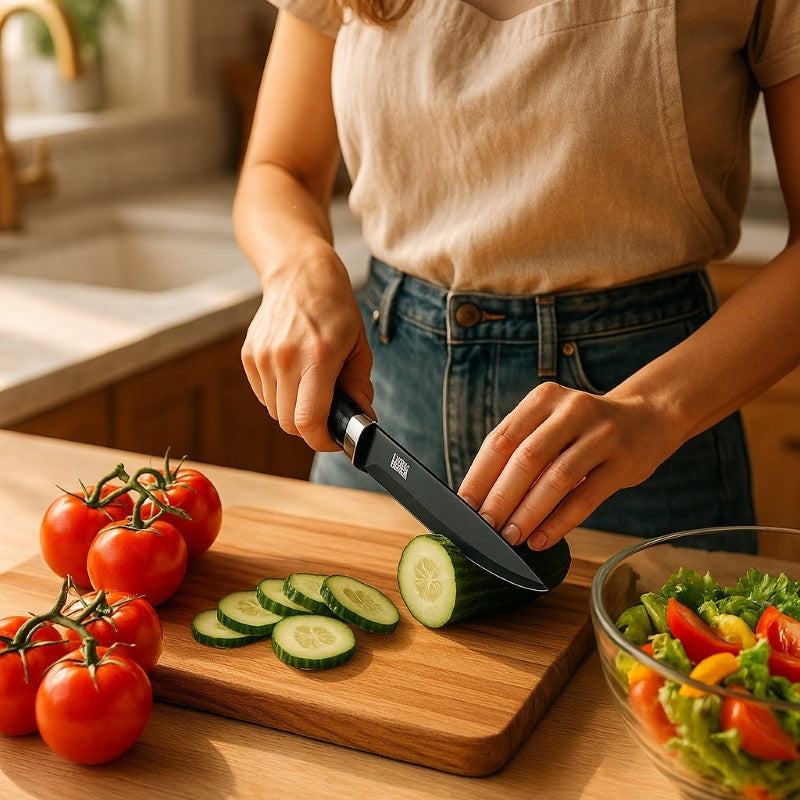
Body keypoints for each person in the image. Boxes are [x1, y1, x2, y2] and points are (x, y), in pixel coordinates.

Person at [233, 0, 800, 553]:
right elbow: (279, 167)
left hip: (634, 438)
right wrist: (297, 266)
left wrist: (653, 412)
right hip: (383, 407)